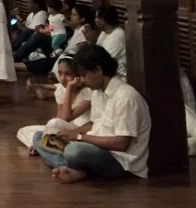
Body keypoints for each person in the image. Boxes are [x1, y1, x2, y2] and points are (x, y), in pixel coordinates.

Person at [32, 45, 151, 183]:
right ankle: (67, 168)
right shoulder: (97, 92)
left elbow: (121, 144)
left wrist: (79, 137)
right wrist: (68, 134)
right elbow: (93, 124)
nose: (82, 80)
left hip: (120, 161)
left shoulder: (125, 98)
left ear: (98, 70)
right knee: (40, 137)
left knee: (74, 151)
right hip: (96, 144)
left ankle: (72, 167)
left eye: (84, 75)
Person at [18, 55, 92, 150]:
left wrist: (69, 88)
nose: (62, 78)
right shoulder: (61, 89)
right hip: (64, 128)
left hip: (81, 130)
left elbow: (66, 118)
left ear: (77, 75)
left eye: (67, 74)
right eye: (60, 73)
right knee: (23, 131)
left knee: (53, 124)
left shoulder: (88, 91)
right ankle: (43, 146)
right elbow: (60, 118)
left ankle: (43, 147)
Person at [95, 5, 127, 77]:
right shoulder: (104, 32)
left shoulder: (118, 36)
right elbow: (96, 51)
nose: (95, 20)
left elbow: (104, 60)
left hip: (116, 75)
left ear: (103, 20)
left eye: (97, 18)